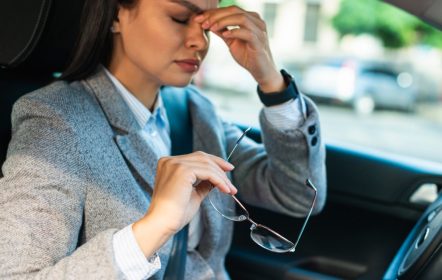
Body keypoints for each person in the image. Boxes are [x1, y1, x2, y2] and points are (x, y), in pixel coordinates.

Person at [0, 0, 326, 279]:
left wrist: (272, 83)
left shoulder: (195, 112)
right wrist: (154, 227)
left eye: (206, 26)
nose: (200, 41)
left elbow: (298, 194)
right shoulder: (57, 121)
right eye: (180, 18)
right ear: (116, 15)